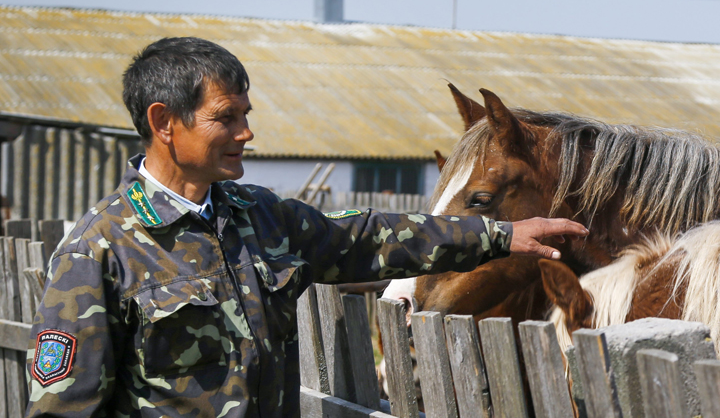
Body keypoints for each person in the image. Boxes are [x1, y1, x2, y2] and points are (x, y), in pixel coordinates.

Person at [25, 37, 588, 418]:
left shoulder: (260, 217)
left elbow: (370, 237)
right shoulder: (100, 250)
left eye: (246, 114)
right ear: (163, 122)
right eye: (227, 117)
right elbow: (64, 408)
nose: (246, 132)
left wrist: (501, 236)